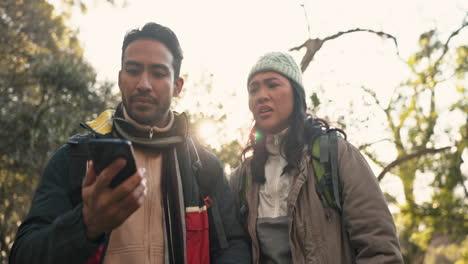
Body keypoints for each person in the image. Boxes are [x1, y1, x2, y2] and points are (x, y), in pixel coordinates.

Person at [10, 22, 250, 264]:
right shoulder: (76, 157)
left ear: (177, 86)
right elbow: (23, 254)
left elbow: (235, 246)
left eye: (158, 73)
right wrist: (86, 224)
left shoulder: (203, 166)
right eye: (133, 70)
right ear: (120, 78)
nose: (143, 84)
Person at [229, 51, 403, 263]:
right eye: (253, 89)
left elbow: (380, 250)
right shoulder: (242, 178)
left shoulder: (338, 157)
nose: (261, 95)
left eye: (272, 85)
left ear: (296, 94)